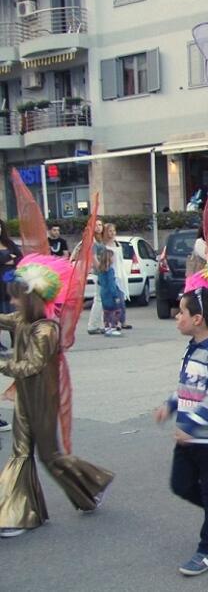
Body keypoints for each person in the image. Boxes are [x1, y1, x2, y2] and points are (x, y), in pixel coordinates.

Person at [0, 254, 114, 538]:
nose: (12, 303)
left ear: (30, 300)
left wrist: (1, 363)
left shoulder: (46, 329)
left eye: (16, 299)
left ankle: (92, 484)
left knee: (51, 457)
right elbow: (5, 320)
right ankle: (18, 513)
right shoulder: (24, 321)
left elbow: (32, 366)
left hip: (43, 401)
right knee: (21, 452)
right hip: (25, 399)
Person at [153, 277, 208, 576]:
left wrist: (189, 424)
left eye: (181, 312)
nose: (177, 317)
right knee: (181, 485)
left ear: (198, 319)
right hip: (190, 435)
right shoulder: (194, 347)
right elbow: (188, 386)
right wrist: (171, 403)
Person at [94, 223, 127, 337]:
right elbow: (112, 285)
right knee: (114, 310)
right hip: (111, 295)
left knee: (106, 312)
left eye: (114, 231)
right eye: (110, 231)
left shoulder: (103, 271)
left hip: (105, 295)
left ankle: (108, 327)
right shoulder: (110, 271)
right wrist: (115, 296)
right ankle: (113, 327)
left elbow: (104, 284)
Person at [0, 219, 22, 367]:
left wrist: (8, 260)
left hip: (11, 281)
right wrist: (8, 258)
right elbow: (9, 258)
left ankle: (16, 342)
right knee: (2, 311)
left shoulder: (9, 243)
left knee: (14, 311)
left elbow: (19, 257)